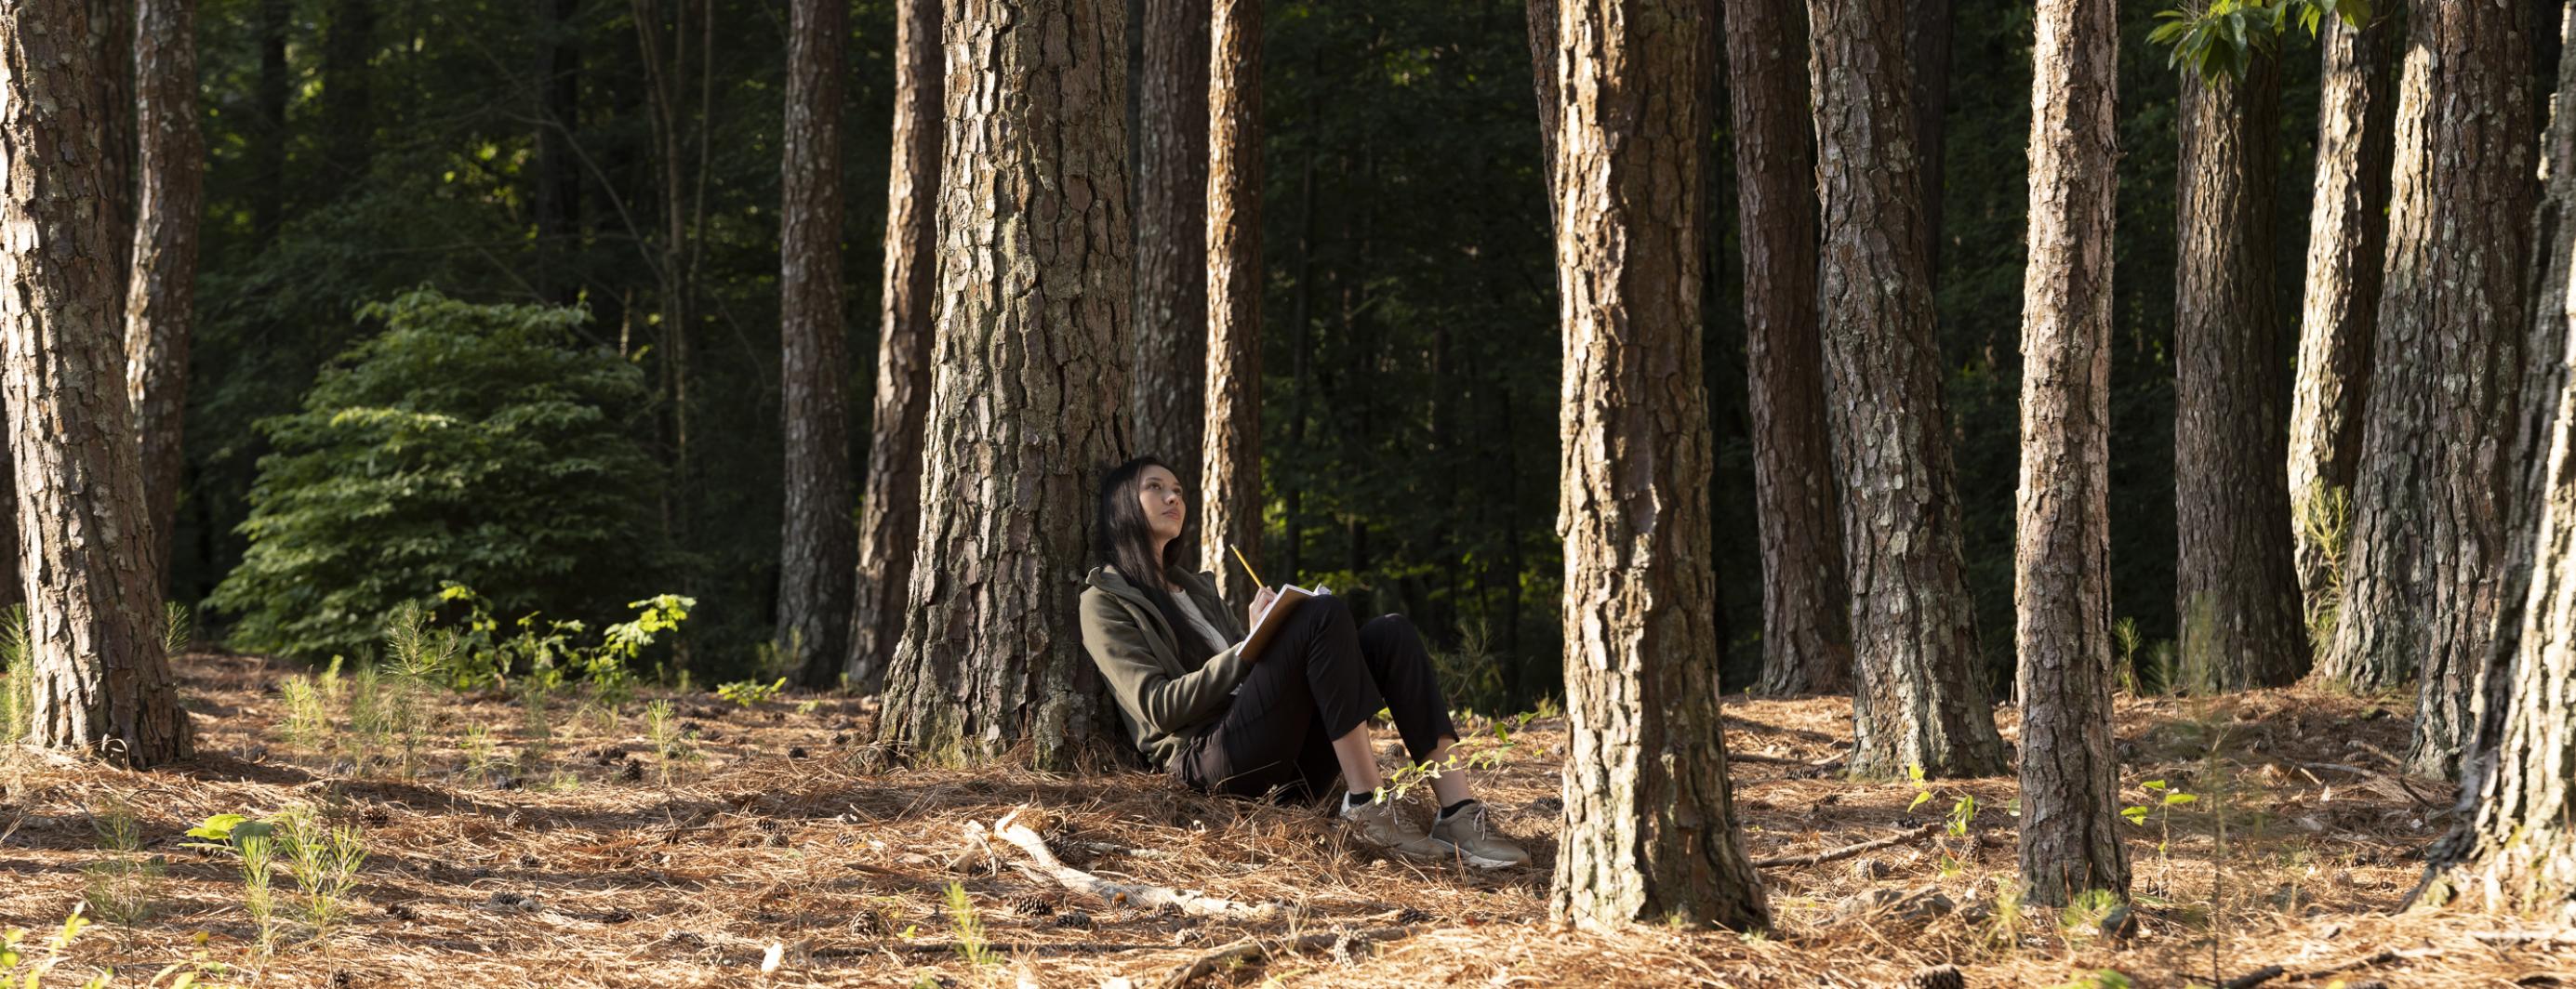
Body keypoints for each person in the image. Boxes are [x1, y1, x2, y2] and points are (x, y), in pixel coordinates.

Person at [1078, 455, 1529, 868]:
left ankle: (1458, 813)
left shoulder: (1196, 590)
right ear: (1122, 507)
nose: (1173, 496)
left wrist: (1260, 636)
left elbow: (1250, 678)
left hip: (1279, 759)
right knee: (1320, 615)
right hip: (1207, 764)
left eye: (1177, 488)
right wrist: (1250, 647)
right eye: (1155, 487)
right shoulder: (1104, 601)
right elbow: (1157, 707)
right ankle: (1368, 806)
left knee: (1390, 633)